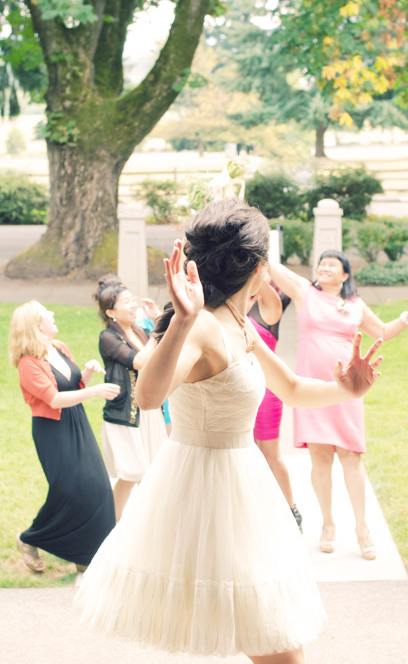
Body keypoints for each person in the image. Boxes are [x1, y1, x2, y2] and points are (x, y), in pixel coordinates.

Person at [76, 201, 383, 664]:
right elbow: (149, 396)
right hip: (204, 487)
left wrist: (345, 389)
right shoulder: (200, 324)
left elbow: (294, 388)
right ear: (260, 268)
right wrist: (180, 320)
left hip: (244, 485)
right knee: (278, 650)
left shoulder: (243, 326)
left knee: (271, 642)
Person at [270, 250, 408, 560]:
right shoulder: (305, 292)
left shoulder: (355, 305)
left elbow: (382, 331)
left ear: (345, 276)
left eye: (333, 265)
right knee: (320, 457)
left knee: (350, 456)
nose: (325, 267)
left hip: (346, 389)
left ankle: (362, 528)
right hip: (312, 389)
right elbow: (272, 268)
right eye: (322, 264)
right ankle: (328, 524)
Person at [8, 301, 119, 574]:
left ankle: (88, 555)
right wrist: (94, 391)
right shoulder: (28, 363)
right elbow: (54, 399)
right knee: (70, 491)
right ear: (37, 325)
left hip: (76, 422)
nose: (54, 315)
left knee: (98, 487)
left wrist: (88, 373)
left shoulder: (58, 348)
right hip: (52, 431)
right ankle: (29, 539)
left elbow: (70, 384)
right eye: (48, 315)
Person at [94, 277, 168, 521]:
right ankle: (113, 528)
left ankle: (147, 528)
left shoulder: (141, 330)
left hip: (148, 410)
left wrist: (158, 318)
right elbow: (137, 361)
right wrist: (156, 332)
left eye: (133, 299)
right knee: (131, 475)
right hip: (125, 415)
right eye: (127, 301)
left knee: (153, 473)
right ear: (111, 311)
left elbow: (165, 346)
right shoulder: (108, 337)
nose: (133, 304)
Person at [248, 277, 303, 530]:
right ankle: (258, 509)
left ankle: (291, 509)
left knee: (270, 455)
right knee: (247, 455)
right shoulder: (233, 306)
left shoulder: (273, 307)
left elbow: (258, 281)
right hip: (239, 389)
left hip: (268, 391)